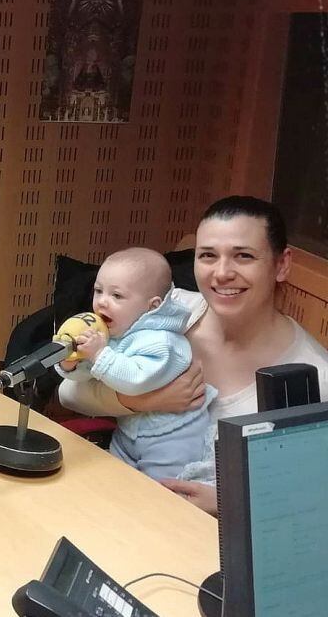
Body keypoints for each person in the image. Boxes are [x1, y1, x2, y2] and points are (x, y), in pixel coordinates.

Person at [60, 196, 328, 514]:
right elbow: (70, 393)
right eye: (207, 256)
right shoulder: (167, 313)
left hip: (204, 536)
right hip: (121, 495)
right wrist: (143, 401)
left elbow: (308, 498)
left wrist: (229, 503)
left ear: (281, 264)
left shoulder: (314, 376)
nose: (222, 272)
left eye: (243, 256)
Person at [55, 248, 216, 479]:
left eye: (117, 296)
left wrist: (99, 354)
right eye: (98, 291)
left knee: (161, 494)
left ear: (152, 306)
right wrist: (71, 364)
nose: (102, 302)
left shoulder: (163, 341)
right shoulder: (118, 333)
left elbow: (134, 380)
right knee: (116, 480)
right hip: (130, 431)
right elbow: (92, 374)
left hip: (172, 437)